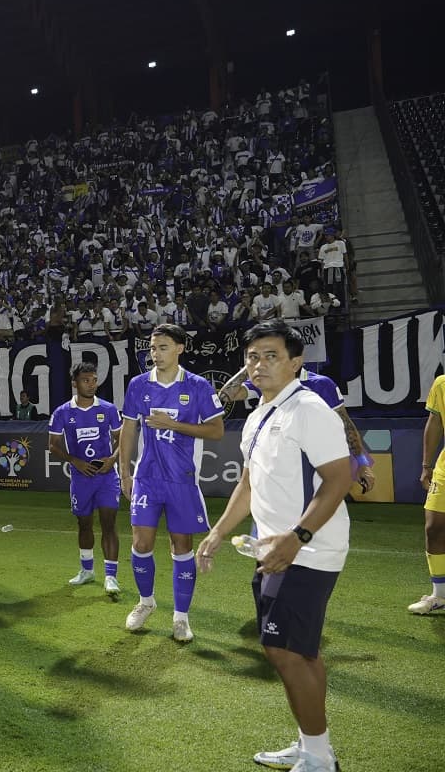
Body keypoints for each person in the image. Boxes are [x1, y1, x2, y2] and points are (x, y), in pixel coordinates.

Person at [196, 320, 354, 772]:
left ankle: (320, 757)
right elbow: (248, 483)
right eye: (252, 357)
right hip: (273, 549)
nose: (258, 365)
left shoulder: (308, 408)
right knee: (297, 651)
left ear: (295, 363)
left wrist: (298, 536)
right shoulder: (260, 414)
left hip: (307, 550)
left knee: (283, 649)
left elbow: (338, 479)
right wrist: (219, 531)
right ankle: (311, 744)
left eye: (271, 356)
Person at [118, 324, 225, 641]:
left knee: (182, 547)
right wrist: (125, 471)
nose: (156, 353)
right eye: (153, 348)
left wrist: (173, 424)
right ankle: (145, 602)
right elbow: (128, 429)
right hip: (148, 478)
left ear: (180, 348)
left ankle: (181, 618)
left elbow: (217, 430)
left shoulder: (198, 386)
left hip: (182, 480)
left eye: (163, 347)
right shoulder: (138, 385)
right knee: (141, 543)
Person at [220, 366, 377, 494]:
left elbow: (346, 425)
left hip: (316, 469)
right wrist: (248, 368)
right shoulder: (267, 383)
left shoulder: (321, 384)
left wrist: (362, 464)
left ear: (294, 358)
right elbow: (227, 395)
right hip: (277, 467)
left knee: (318, 520)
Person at [49, 362, 123, 594]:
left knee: (109, 523)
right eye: (85, 380)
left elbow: (122, 440)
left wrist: (112, 459)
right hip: (81, 478)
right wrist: (75, 461)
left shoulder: (109, 409)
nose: (91, 384)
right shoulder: (62, 412)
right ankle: (87, 570)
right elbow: (52, 445)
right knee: (84, 524)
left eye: (93, 380)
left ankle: (111, 576)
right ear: (75, 383)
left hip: (106, 476)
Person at [409, 372, 445, 614]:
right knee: (434, 526)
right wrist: (426, 465)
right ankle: (439, 595)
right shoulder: (442, 383)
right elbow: (434, 422)